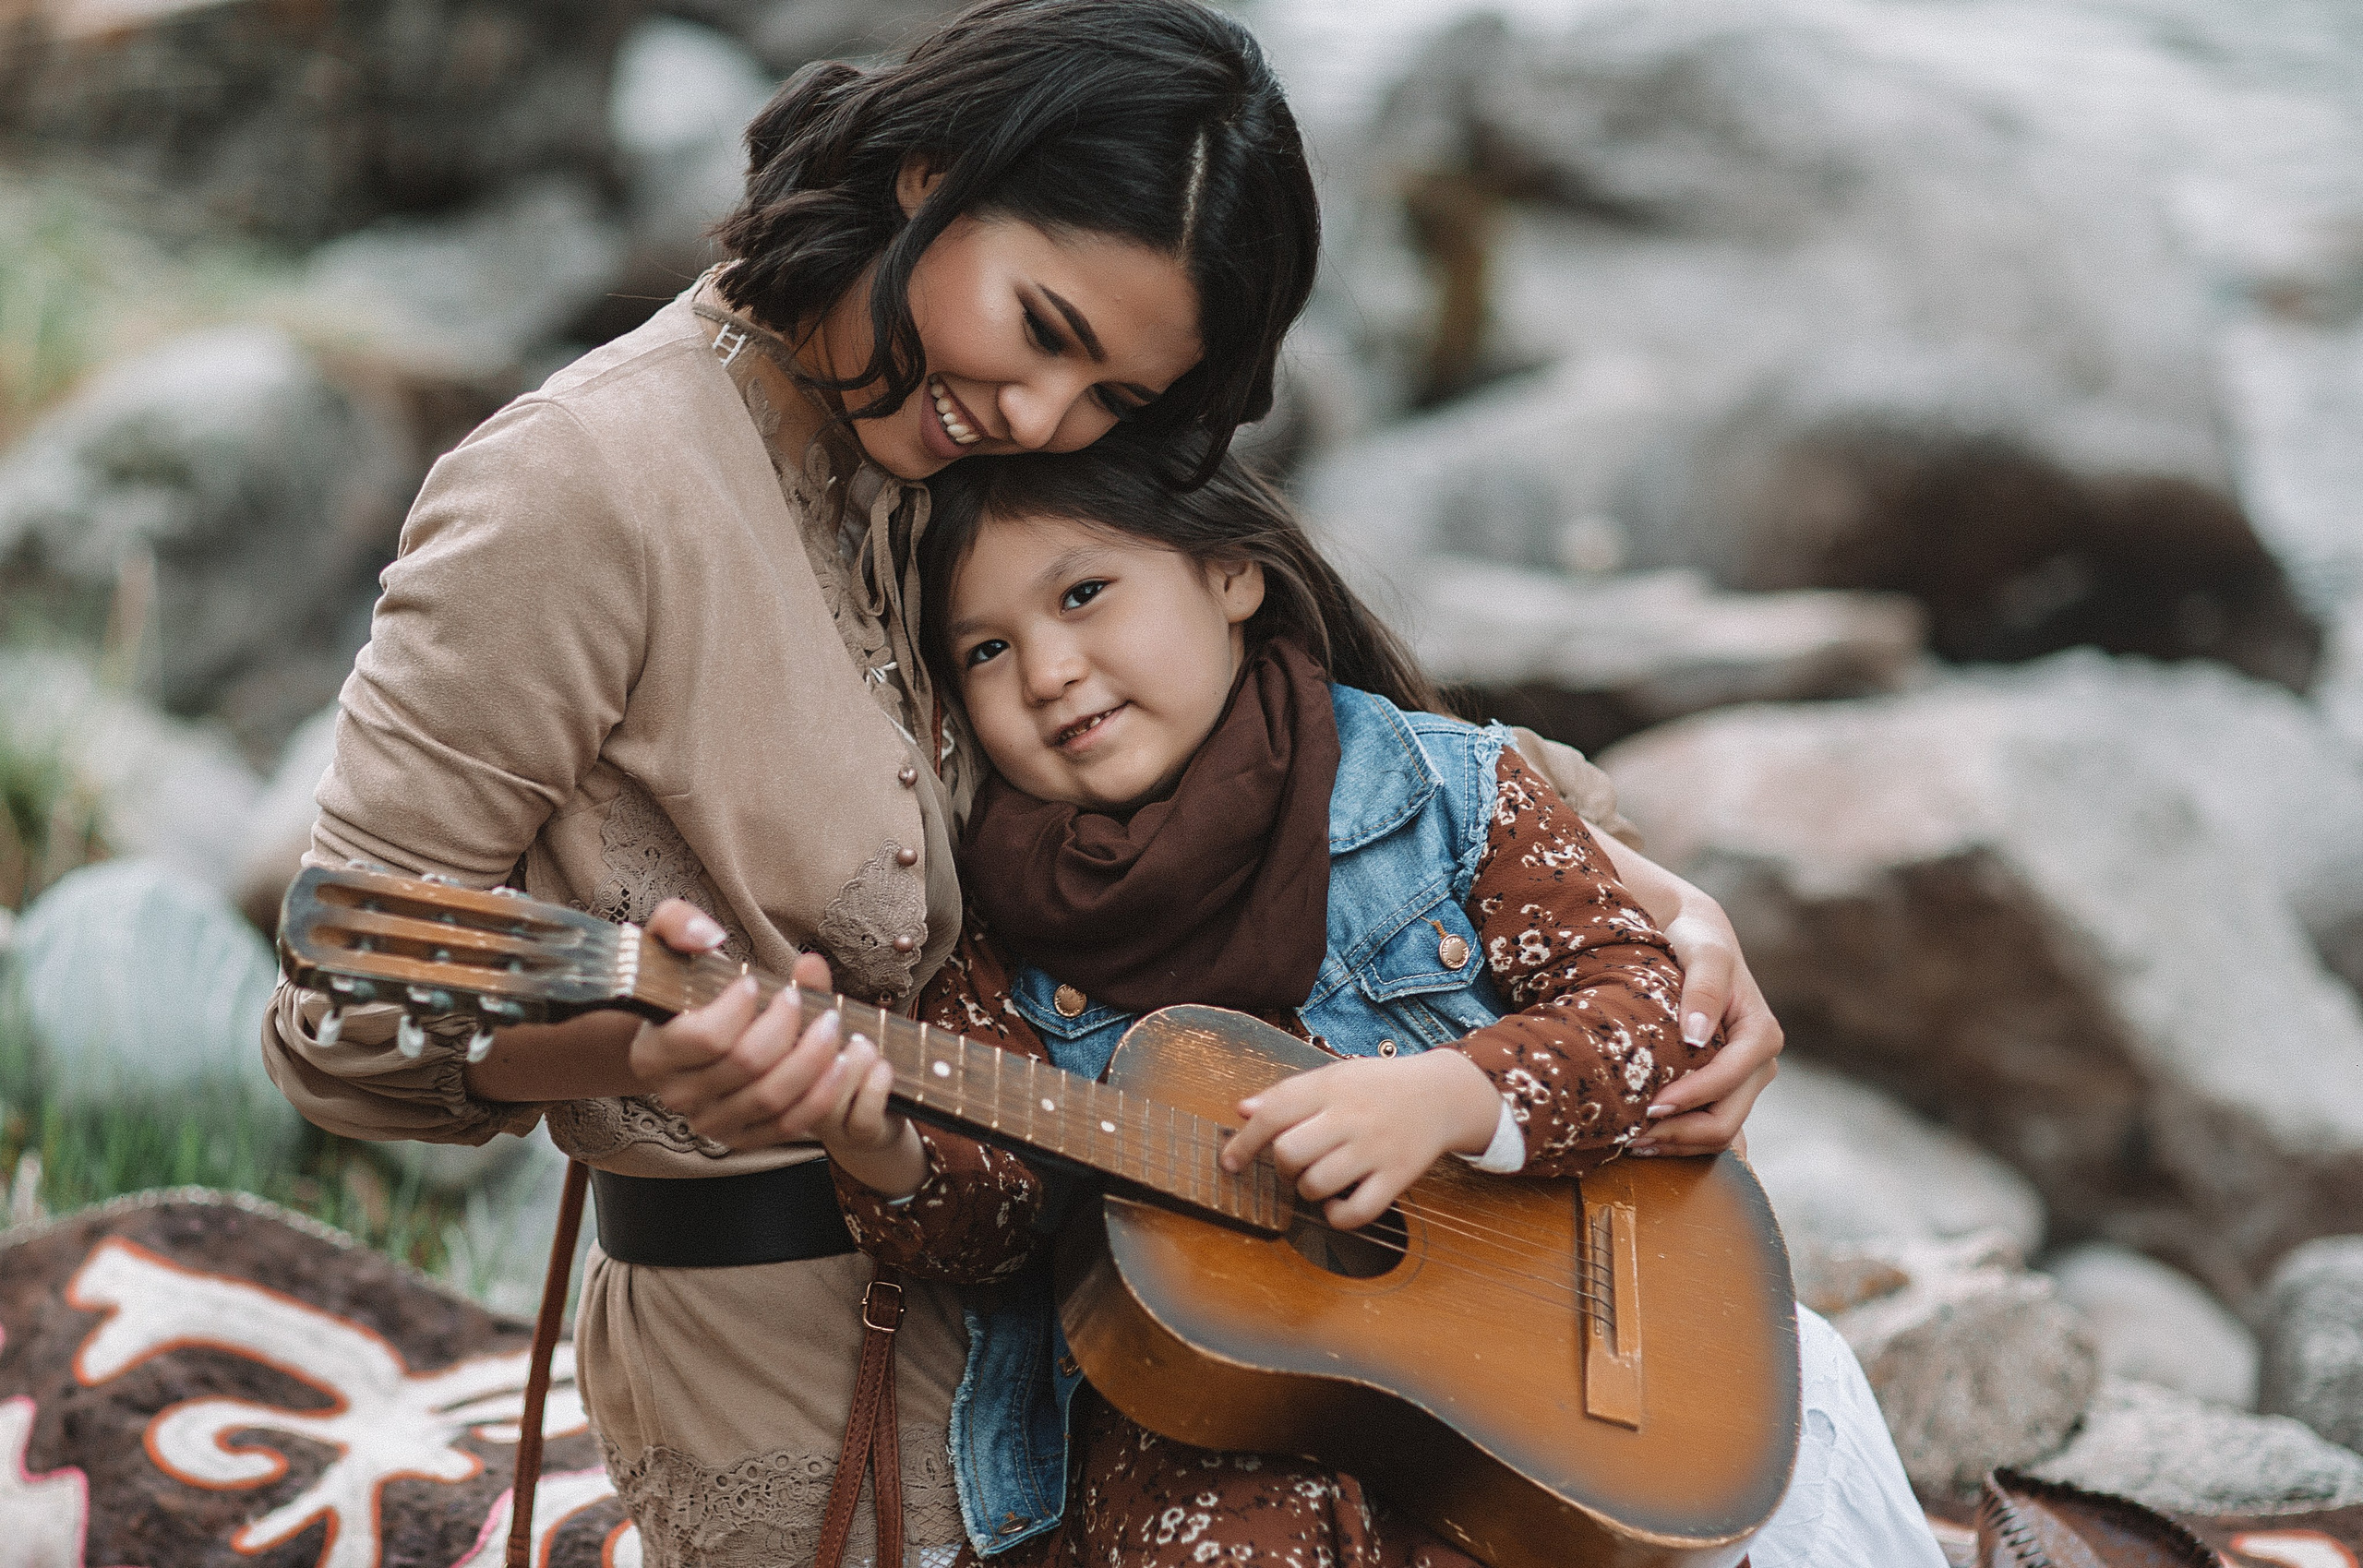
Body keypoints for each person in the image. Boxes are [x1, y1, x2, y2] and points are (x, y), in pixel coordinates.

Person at [258, 2, 1778, 1562]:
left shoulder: (946, 445)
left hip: (1152, 1330)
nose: (1047, 416)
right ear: (928, 171)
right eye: (1046, 329)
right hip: (795, 1364)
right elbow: (339, 1031)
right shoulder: (579, 489)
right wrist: (640, 1056)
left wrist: (1653, 904)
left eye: (1115, 401)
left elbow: (1296, 720)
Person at [775, 442, 1946, 1567]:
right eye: (984, 650)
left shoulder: (1445, 787)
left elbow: (1640, 1009)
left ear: (1230, 572)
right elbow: (991, 1223)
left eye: (1083, 593)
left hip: (1540, 1361)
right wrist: (869, 1136)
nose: (1047, 670)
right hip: (1201, 1430)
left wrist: (1451, 1095)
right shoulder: (986, 924)